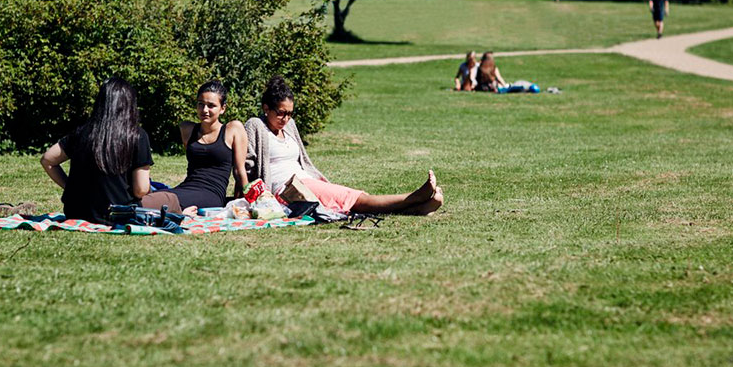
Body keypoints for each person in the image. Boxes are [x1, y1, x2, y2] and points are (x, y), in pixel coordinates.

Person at [245, 76, 443, 215]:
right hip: (286, 190)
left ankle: (418, 208)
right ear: (266, 108)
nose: (285, 118)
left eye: (289, 113)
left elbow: (303, 161)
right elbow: (245, 166)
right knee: (356, 200)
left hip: (306, 182)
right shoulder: (256, 126)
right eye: (280, 112)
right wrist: (248, 197)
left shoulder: (290, 126)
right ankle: (413, 197)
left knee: (354, 200)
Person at [40, 77, 171, 224]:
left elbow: (48, 160)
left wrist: (70, 187)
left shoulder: (82, 132)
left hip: (75, 212)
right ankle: (187, 213)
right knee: (170, 199)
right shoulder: (137, 135)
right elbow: (140, 190)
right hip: (119, 214)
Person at [166, 80, 248, 211]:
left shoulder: (233, 129)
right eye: (201, 104)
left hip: (212, 194)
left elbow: (239, 171)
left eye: (211, 105)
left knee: (162, 201)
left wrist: (246, 203)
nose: (205, 110)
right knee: (152, 197)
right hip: (186, 188)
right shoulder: (187, 129)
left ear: (223, 108)